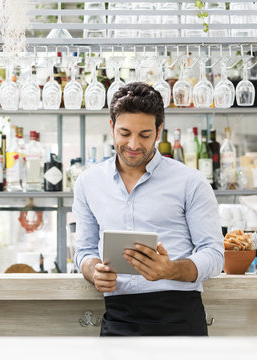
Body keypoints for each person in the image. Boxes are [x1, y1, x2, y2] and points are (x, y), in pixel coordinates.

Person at [72, 82, 224, 336]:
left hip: (179, 316)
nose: (133, 144)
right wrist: (93, 271)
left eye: (144, 135)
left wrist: (171, 269)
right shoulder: (88, 182)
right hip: (118, 315)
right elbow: (85, 250)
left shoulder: (190, 181)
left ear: (159, 131)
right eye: (124, 133)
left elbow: (214, 254)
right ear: (111, 128)